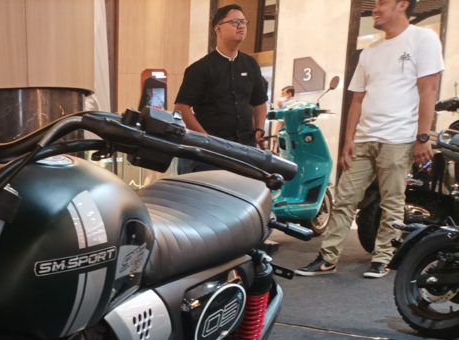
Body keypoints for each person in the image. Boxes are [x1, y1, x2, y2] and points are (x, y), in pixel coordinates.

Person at [297, 0, 443, 278]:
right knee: (344, 199)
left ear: (402, 4)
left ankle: (383, 258)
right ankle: (327, 257)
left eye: (382, 2)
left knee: (392, 202)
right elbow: (357, 100)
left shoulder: (423, 39)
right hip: (364, 139)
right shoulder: (370, 52)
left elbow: (429, 89)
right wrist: (348, 140)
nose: (375, 8)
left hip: (399, 138)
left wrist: (423, 136)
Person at [173, 4, 269, 174]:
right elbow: (181, 108)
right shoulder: (200, 68)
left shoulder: (251, 64)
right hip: (213, 153)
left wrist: (259, 129)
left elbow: (260, 102)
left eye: (243, 22)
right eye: (235, 22)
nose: (241, 26)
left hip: (246, 148)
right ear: (218, 29)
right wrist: (206, 139)